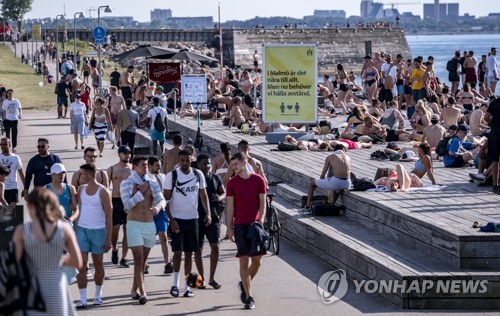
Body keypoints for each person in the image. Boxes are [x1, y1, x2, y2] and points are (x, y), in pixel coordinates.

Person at [12, 188, 83, 316]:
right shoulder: (64, 229)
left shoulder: (22, 230)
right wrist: (56, 257)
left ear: (30, 205)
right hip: (56, 285)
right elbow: (77, 262)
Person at [163, 150, 211, 298]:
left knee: (189, 254)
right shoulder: (172, 176)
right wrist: (171, 220)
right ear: (179, 160)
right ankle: (174, 285)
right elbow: (165, 201)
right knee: (177, 253)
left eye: (187, 160)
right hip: (177, 219)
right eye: (182, 160)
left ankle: (187, 287)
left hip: (193, 219)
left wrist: (208, 213)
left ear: (192, 159)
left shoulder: (198, 175)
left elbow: (203, 195)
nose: (185, 163)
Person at [121, 156, 166, 304]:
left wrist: (158, 207)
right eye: (142, 165)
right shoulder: (126, 183)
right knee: (138, 258)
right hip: (134, 223)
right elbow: (127, 206)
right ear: (134, 166)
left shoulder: (152, 181)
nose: (146, 167)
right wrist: (140, 194)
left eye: (147, 165)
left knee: (143, 261)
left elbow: (161, 199)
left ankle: (134, 289)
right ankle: (143, 292)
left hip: (149, 224)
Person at [225, 152, 267, 309]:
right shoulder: (232, 183)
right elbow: (230, 206)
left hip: (256, 225)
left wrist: (261, 219)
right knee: (244, 259)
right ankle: (249, 297)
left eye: (236, 164)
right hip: (240, 225)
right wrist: (229, 228)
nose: (233, 167)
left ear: (244, 163)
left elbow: (263, 203)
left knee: (257, 261)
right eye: (232, 164)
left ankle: (243, 284)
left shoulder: (258, 180)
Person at [75, 163, 112, 309]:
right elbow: (78, 209)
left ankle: (97, 296)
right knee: (82, 265)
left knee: (98, 264)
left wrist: (108, 239)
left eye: (82, 174)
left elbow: (109, 216)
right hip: (82, 230)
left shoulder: (103, 192)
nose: (80, 176)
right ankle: (83, 299)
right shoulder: (81, 189)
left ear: (89, 175)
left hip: (98, 231)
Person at [194, 154, 225, 289]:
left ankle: (212, 278)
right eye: (204, 164)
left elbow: (223, 192)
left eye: (208, 164)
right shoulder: (193, 179)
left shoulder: (215, 177)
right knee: (198, 250)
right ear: (198, 165)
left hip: (213, 217)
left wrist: (219, 198)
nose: (207, 166)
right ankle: (201, 278)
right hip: (196, 217)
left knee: (215, 247)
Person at [106, 145, 132, 267]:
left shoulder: (133, 169)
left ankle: (124, 257)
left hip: (129, 202)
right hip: (115, 201)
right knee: (115, 230)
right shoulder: (111, 169)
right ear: (119, 154)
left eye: (129, 153)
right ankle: (115, 249)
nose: (127, 155)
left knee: (127, 230)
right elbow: (106, 189)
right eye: (125, 153)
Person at [147, 156, 173, 274]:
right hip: (149, 212)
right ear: (150, 166)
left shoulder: (163, 177)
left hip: (161, 211)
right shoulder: (145, 178)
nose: (159, 167)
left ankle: (167, 263)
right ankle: (145, 263)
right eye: (157, 165)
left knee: (163, 236)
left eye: (160, 164)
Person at [305, 144, 351, 208]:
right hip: (347, 183)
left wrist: (324, 179)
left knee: (312, 183)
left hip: (336, 183)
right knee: (337, 186)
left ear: (335, 150)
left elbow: (322, 176)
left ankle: (307, 206)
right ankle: (332, 204)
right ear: (343, 150)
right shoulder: (348, 157)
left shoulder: (330, 157)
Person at [0, 137, 24, 205]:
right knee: (3, 212)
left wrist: (26, 187)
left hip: (13, 187)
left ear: (10, 145)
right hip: (1, 187)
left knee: (13, 211)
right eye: (1, 144)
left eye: (5, 144)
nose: (2, 146)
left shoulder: (15, 158)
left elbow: (21, 173)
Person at [484, 97, 500, 193]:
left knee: (495, 160)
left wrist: (492, 123)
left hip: (495, 133)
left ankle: (495, 184)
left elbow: (486, 117)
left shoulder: (494, 103)